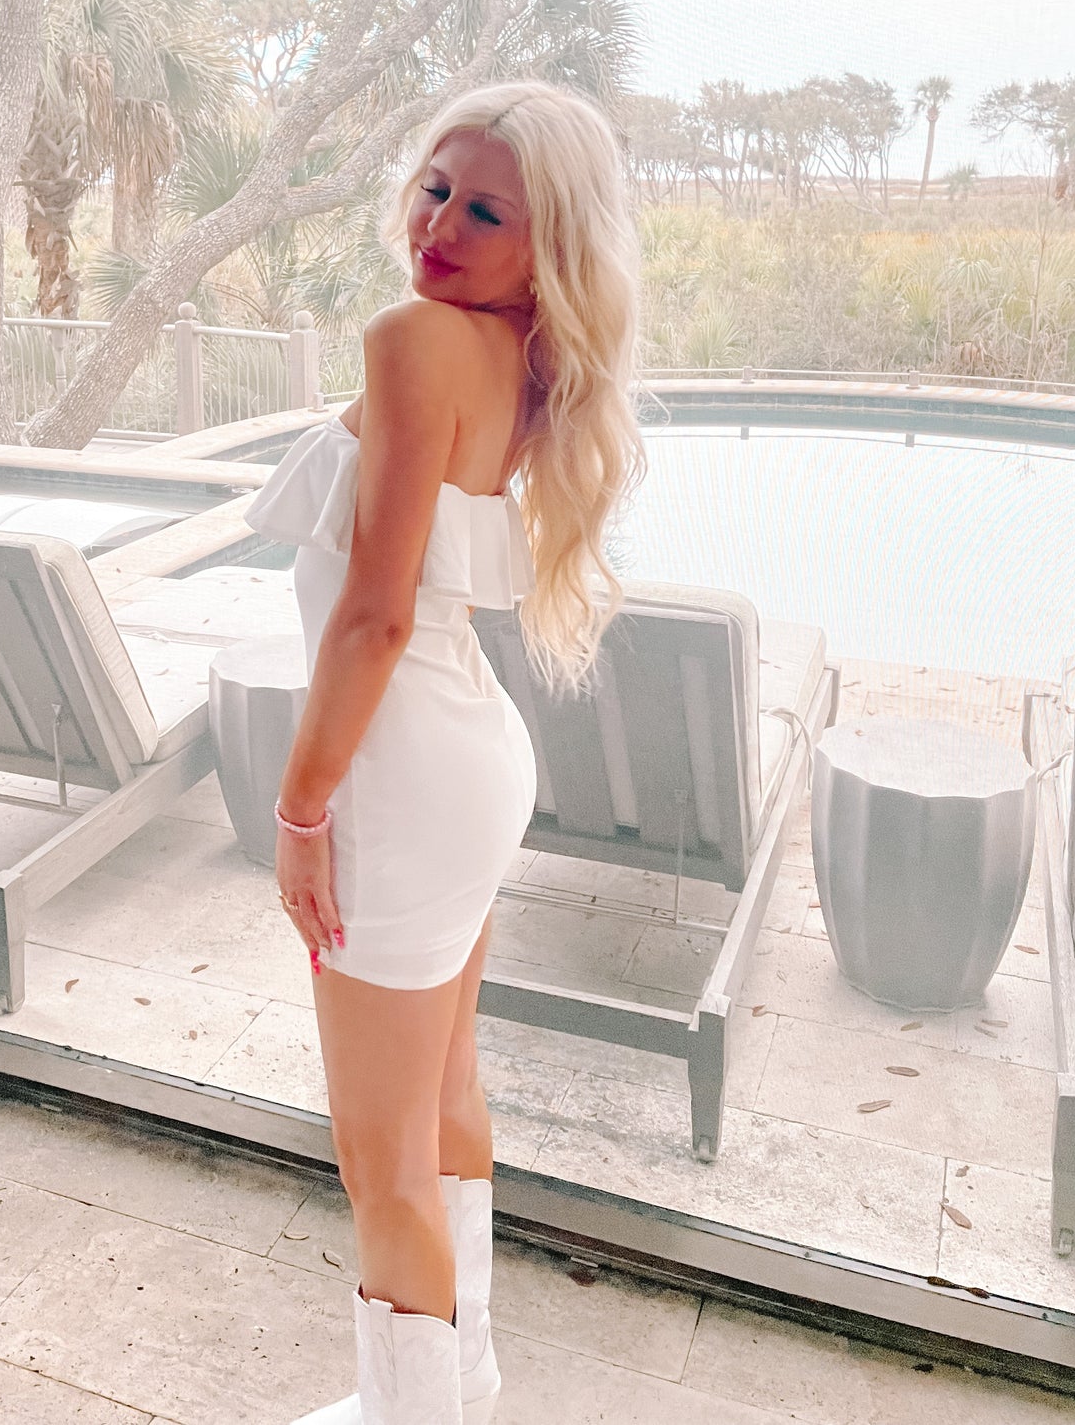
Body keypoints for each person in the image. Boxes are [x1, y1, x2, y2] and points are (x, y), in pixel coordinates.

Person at [243, 81, 644, 1424]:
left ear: (547, 243)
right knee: (447, 1103)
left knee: (383, 1167)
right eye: (432, 186)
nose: (440, 224)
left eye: (485, 209)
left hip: (401, 779)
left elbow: (375, 610)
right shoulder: (524, 355)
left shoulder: (414, 340)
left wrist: (301, 814)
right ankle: (452, 1393)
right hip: (463, 762)